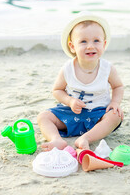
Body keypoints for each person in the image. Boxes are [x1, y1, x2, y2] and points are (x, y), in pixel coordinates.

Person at [37, 12, 124, 151]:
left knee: (115, 117)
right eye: (83, 41)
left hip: (98, 115)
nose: (90, 46)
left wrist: (115, 103)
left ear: (104, 44)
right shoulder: (68, 68)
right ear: (72, 46)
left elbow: (118, 86)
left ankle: (86, 138)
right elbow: (57, 90)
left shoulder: (107, 68)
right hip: (72, 114)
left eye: (96, 41)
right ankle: (56, 140)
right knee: (44, 117)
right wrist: (70, 101)